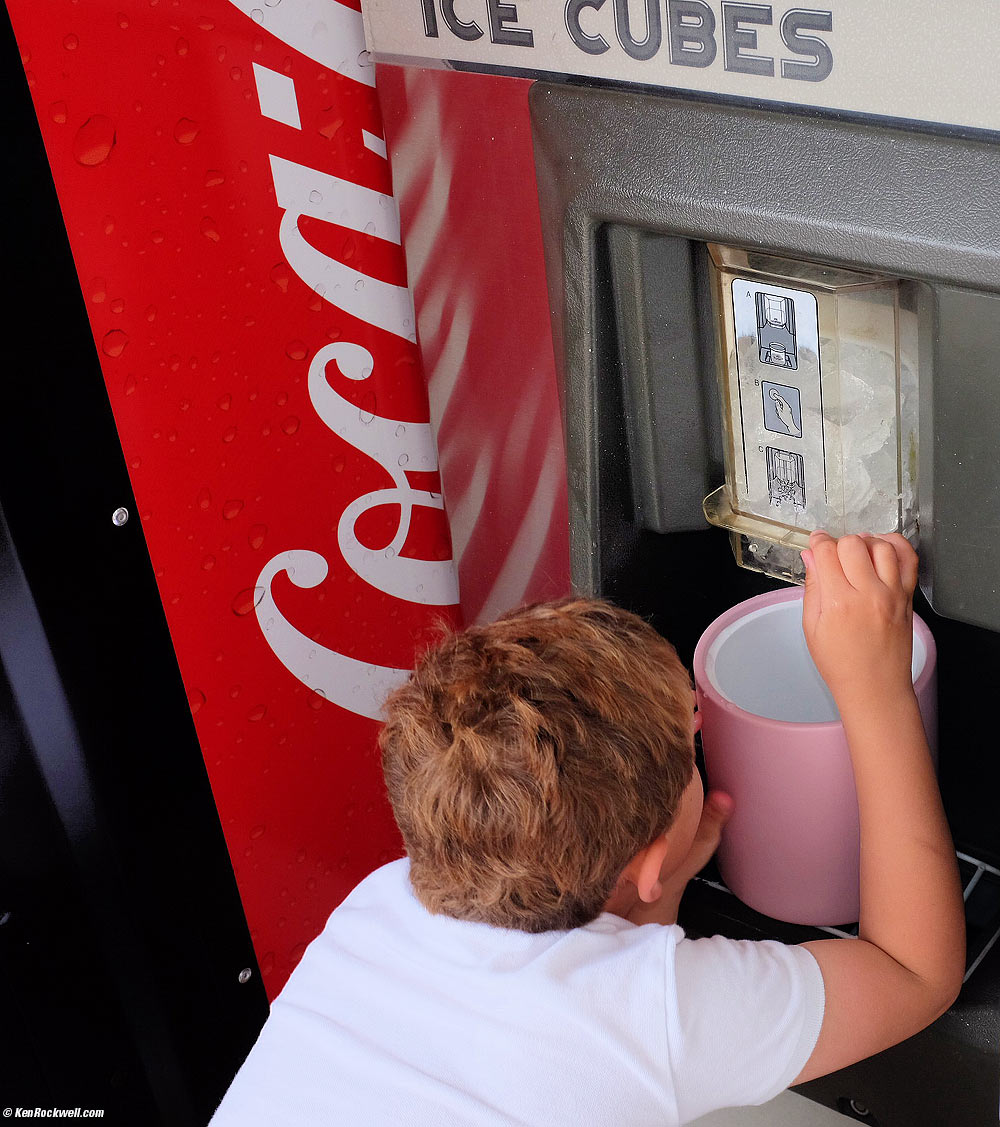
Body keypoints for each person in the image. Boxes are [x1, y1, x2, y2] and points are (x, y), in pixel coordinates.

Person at [210, 531, 964, 1126]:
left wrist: (654, 880)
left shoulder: (375, 908)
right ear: (647, 860)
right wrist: (876, 690)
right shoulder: (658, 1013)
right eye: (692, 736)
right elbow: (913, 973)